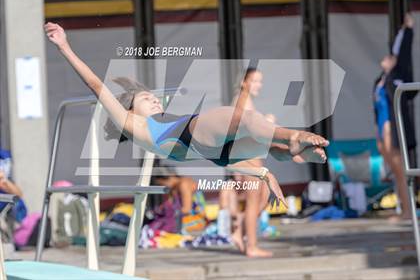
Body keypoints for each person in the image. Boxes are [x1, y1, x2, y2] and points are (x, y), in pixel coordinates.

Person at [44, 22, 329, 210]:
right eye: (146, 98)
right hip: (195, 133)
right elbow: (96, 84)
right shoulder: (132, 123)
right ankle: (293, 136)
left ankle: (292, 150)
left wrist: (265, 175)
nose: (154, 99)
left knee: (270, 149)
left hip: (207, 149)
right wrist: (64, 46)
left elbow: (216, 157)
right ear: (129, 109)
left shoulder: (162, 122)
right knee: (243, 119)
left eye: (154, 96)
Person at [219, 68, 275, 257]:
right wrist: (266, 122)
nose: (259, 85)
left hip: (250, 157)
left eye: (260, 81)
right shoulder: (241, 101)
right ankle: (251, 246)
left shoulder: (245, 101)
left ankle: (239, 232)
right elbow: (243, 132)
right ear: (244, 82)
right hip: (247, 158)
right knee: (253, 202)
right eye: (255, 81)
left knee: (265, 194)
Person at [374, 13, 417, 220]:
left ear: (393, 62)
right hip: (382, 128)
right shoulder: (381, 80)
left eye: (389, 57)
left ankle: (408, 210)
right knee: (395, 171)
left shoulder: (395, 77)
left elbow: (403, 53)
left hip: (391, 128)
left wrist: (407, 30)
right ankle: (402, 207)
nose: (385, 58)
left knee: (401, 171)